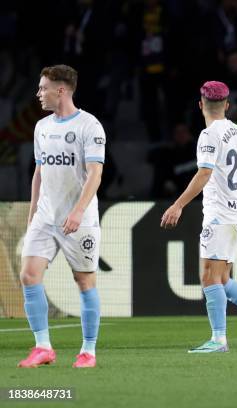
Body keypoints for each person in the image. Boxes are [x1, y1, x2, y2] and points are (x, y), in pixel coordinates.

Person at [160, 81, 237, 353]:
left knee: (209, 278)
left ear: (200, 104)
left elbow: (204, 173)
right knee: (222, 279)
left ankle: (219, 340)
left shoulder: (208, 134)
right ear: (227, 105)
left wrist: (178, 205)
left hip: (219, 215)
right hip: (236, 212)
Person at [19, 64, 105, 368]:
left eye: (43, 88)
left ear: (61, 90)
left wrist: (78, 212)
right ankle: (43, 347)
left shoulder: (89, 126)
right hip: (46, 216)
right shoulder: (42, 127)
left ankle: (88, 351)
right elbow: (39, 173)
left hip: (79, 220)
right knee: (28, 275)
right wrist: (32, 216)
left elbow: (95, 174)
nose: (38, 94)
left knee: (84, 281)